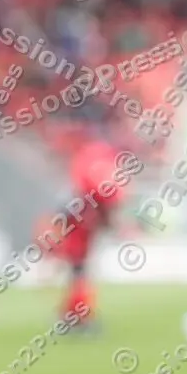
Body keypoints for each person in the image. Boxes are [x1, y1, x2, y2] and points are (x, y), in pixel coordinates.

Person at [54, 139, 120, 333]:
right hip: (79, 238)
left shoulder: (79, 185)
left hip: (78, 237)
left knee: (79, 275)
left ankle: (74, 315)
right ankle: (78, 315)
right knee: (80, 275)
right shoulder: (94, 186)